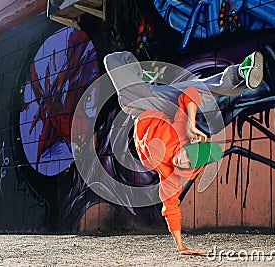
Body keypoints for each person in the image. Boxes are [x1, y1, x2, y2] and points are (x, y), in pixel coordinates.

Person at [104, 51, 263, 255]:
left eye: (185, 164)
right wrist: (189, 123)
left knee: (117, 72)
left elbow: (171, 208)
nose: (180, 159)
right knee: (201, 90)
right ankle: (240, 73)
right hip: (164, 106)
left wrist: (181, 247)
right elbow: (190, 94)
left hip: (143, 108)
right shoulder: (182, 134)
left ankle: (242, 74)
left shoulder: (172, 178)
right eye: (186, 154)